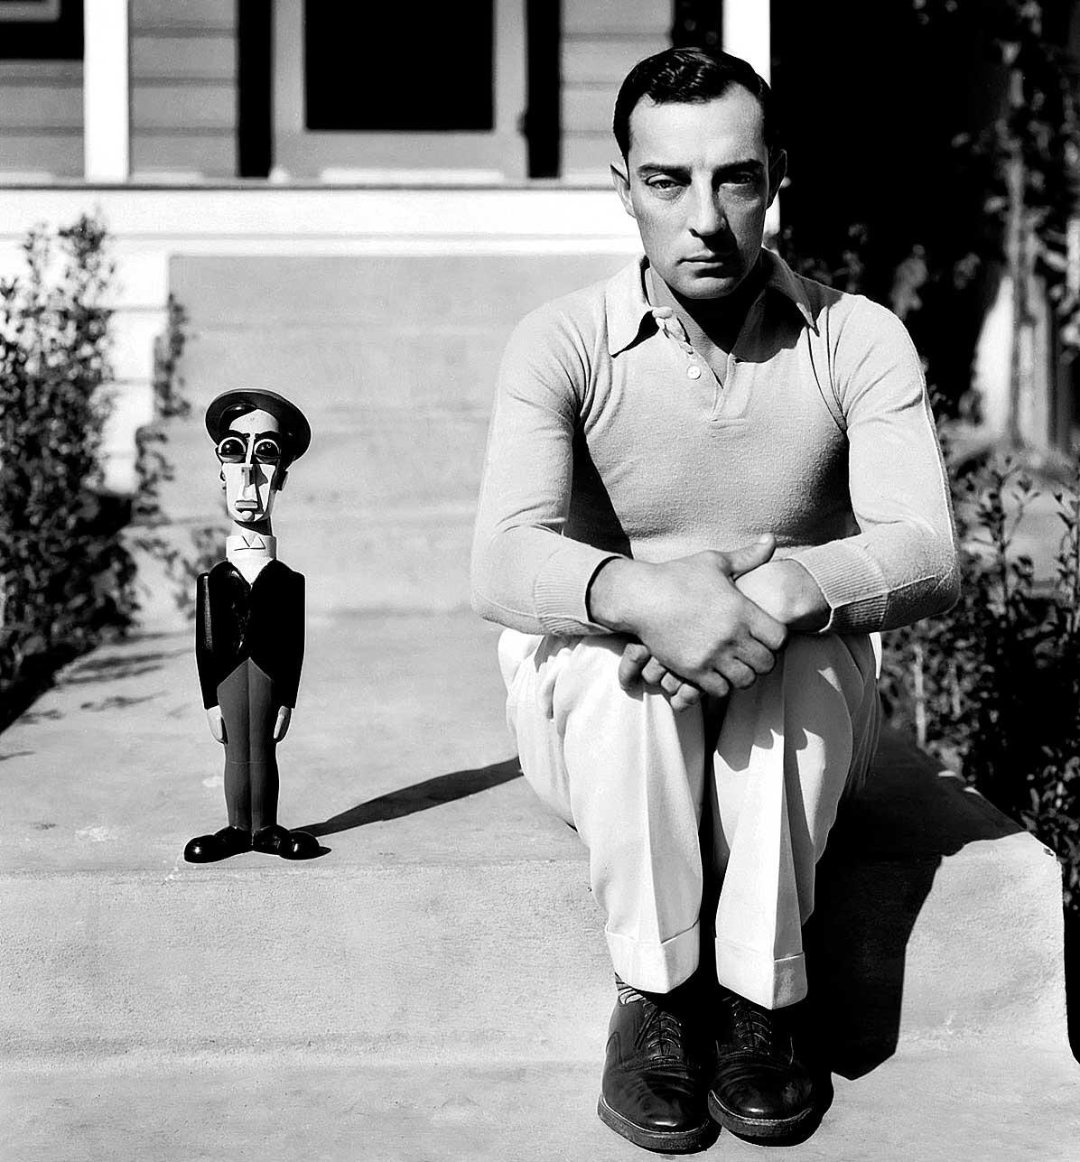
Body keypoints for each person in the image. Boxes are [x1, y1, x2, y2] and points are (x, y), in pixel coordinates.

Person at [470, 46, 959, 1153]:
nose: (705, 218)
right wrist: (642, 596)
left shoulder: (856, 337)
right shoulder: (562, 342)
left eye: (735, 179)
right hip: (605, 712)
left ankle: (763, 1002)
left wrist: (779, 589)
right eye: (667, 181)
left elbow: (928, 550)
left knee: (794, 657)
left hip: (794, 700)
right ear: (622, 185)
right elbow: (500, 563)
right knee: (613, 670)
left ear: (776, 175)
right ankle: (657, 998)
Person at [184, 389, 320, 864]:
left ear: (280, 475)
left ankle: (265, 827)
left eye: (265, 453)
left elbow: (295, 644)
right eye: (234, 451)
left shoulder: (287, 580)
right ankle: (237, 826)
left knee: (262, 748)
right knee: (234, 750)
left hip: (267, 673)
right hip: (226, 674)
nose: (249, 473)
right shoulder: (214, 580)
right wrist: (207, 701)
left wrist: (288, 697)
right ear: (222, 472)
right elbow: (205, 643)